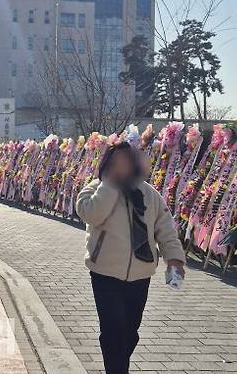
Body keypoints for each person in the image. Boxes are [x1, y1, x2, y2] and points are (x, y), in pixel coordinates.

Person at [76, 142, 185, 374]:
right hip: (104, 273)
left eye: (126, 162)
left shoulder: (149, 194)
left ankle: (117, 364)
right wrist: (111, 185)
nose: (122, 168)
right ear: (107, 165)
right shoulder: (93, 190)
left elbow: (165, 229)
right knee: (113, 328)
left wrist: (174, 259)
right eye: (116, 163)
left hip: (141, 274)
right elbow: (92, 214)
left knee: (130, 332)